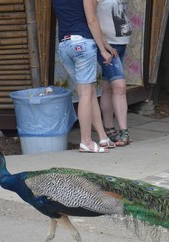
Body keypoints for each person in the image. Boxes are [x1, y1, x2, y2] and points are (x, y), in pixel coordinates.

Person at [52, 0, 117, 153]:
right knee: (86, 94)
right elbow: (92, 19)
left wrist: (105, 44)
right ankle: (86, 141)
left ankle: (102, 137)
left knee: (88, 92)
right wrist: (102, 49)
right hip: (82, 43)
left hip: (64, 45)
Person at [96, 0, 132, 147]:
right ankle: (124, 131)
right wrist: (104, 45)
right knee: (119, 86)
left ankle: (109, 128)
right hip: (108, 45)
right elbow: (91, 17)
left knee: (108, 86)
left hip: (121, 42)